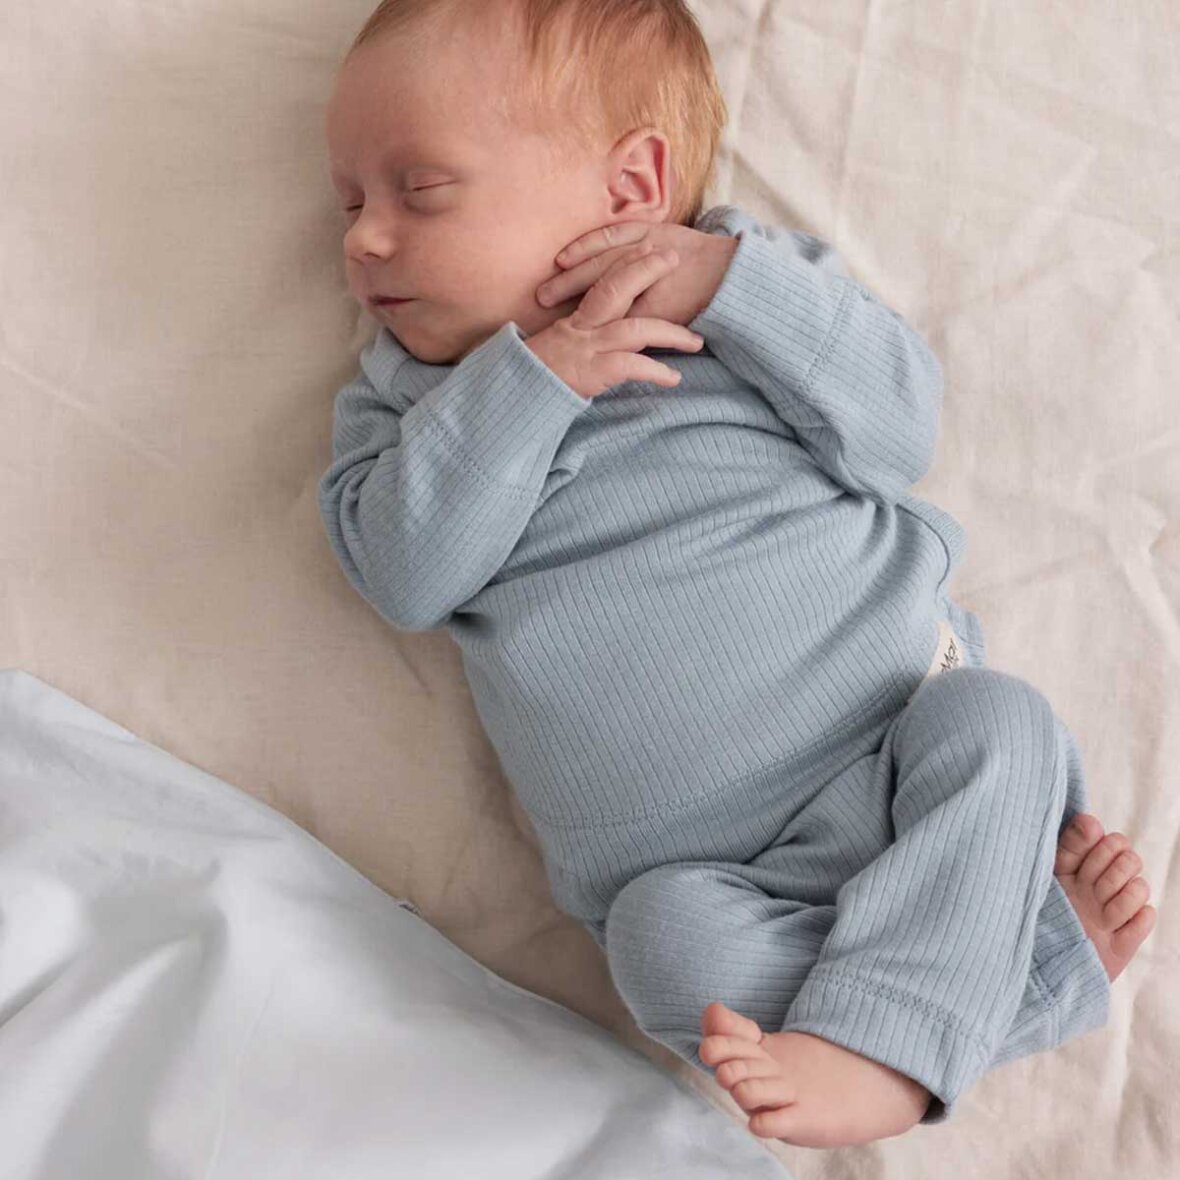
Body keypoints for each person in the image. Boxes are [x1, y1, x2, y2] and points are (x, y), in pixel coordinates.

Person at [319, 0, 1156, 1149]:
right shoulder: (409, 406)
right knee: (663, 953)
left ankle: (905, 1017)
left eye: (420, 190)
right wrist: (533, 381)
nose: (364, 239)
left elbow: (898, 427)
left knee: (1001, 724)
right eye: (349, 201)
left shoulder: (742, 296)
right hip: (699, 874)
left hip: (896, 743)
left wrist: (728, 283)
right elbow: (406, 575)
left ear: (630, 189)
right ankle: (1009, 986)